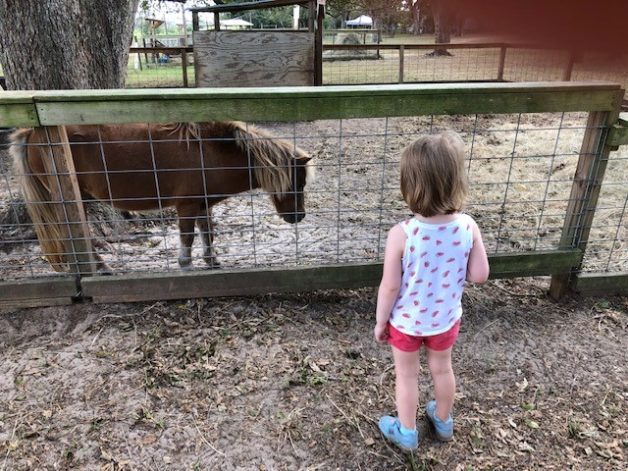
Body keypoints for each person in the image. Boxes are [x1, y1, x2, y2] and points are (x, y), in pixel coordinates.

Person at [374, 131, 489, 451]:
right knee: (442, 368)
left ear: (410, 185)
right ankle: (442, 420)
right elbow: (480, 275)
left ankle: (407, 432)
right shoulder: (468, 226)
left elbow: (390, 286)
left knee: (407, 377)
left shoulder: (402, 234)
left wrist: (381, 322)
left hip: (406, 324)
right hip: (444, 320)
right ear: (456, 181)